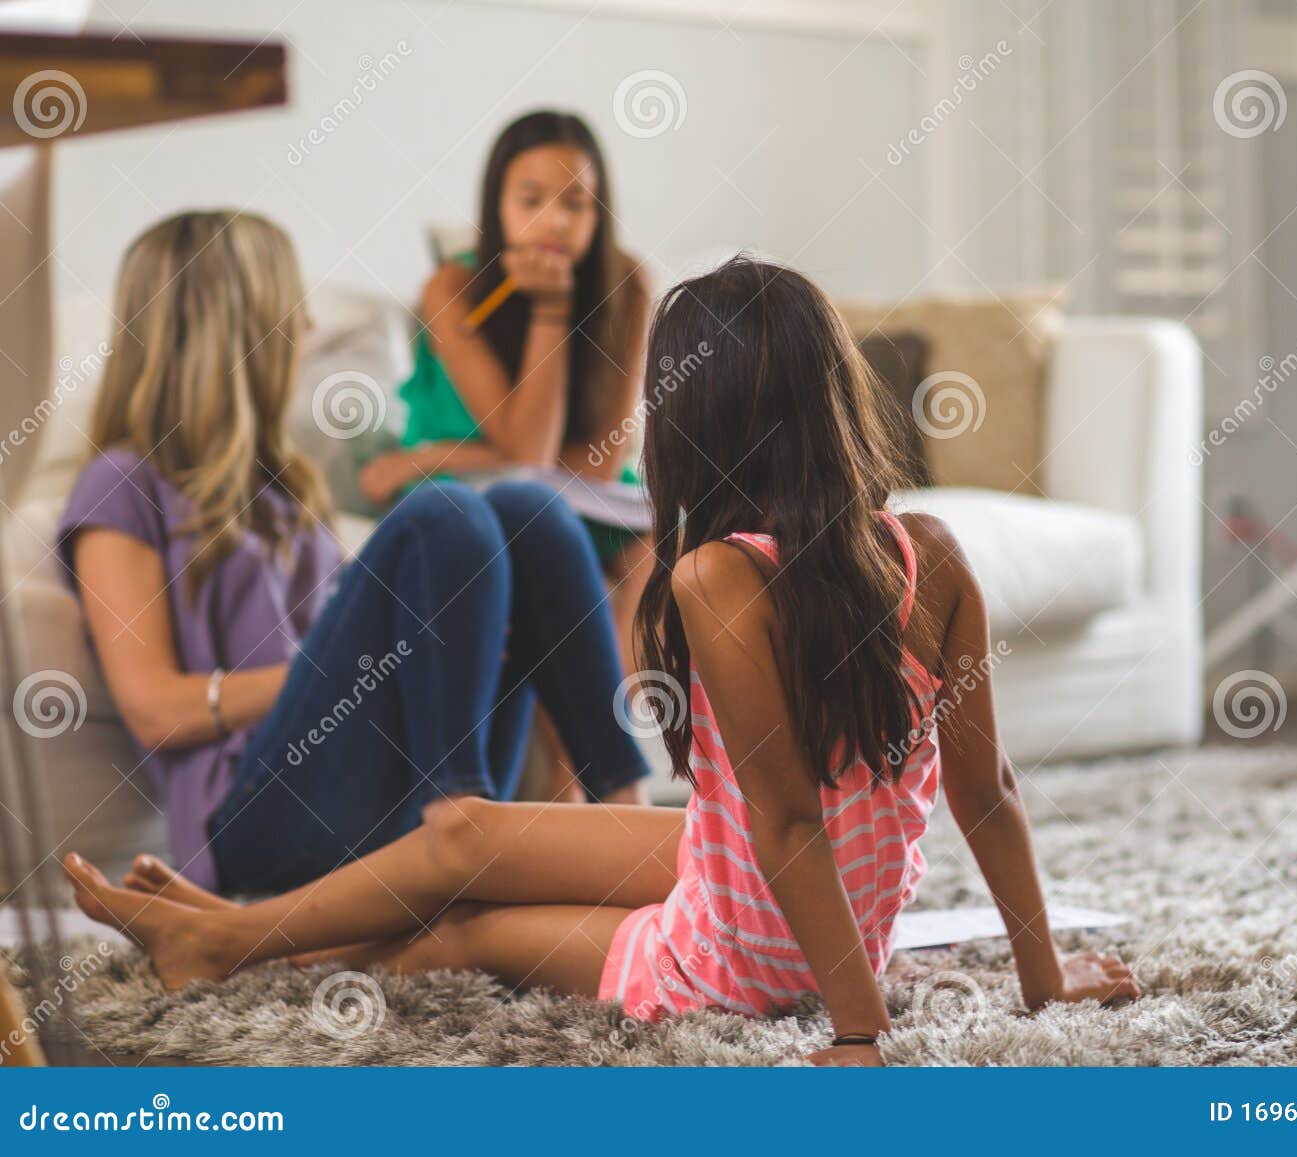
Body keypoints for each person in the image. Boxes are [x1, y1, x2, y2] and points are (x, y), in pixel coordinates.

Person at [64, 256, 1138, 1065]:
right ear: (834, 398)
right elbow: (984, 790)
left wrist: (858, 1030)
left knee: (466, 935)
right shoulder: (935, 554)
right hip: (811, 900)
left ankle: (231, 948)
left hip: (744, 947)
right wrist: (1043, 980)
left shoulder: (716, 578)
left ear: (694, 422)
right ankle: (230, 926)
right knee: (465, 830)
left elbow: (789, 821)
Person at [57, 210, 649, 898]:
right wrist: (331, 676)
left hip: (372, 786)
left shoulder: (288, 489)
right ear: (239, 329)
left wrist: (425, 644)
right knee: (442, 511)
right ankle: (460, 826)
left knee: (528, 508)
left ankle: (623, 815)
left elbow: (357, 638)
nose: (307, 331)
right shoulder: (122, 482)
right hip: (250, 821)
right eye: (292, 311)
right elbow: (154, 706)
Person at [358, 111, 653, 800]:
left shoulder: (627, 283)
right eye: (531, 201)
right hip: (482, 497)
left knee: (652, 554)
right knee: (536, 526)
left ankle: (598, 768)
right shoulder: (453, 289)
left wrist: (433, 454)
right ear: (496, 204)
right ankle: (581, 788)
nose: (554, 222)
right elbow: (523, 456)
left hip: (579, 486)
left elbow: (601, 461)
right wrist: (549, 310)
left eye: (576, 202)